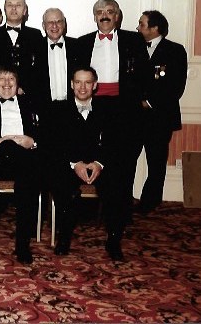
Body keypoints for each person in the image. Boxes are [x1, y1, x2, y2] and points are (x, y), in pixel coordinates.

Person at [76, 0, 148, 218]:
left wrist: (139, 101)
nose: (104, 16)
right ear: (95, 17)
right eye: (100, 12)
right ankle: (88, 208)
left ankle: (120, 210)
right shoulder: (83, 42)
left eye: (109, 11)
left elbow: (144, 74)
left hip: (123, 107)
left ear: (117, 16)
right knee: (91, 151)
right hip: (94, 105)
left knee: (123, 157)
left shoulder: (134, 40)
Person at [50, 66, 127, 261]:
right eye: (78, 82)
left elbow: (115, 143)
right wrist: (75, 164)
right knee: (61, 184)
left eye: (87, 82)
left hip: (99, 164)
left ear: (95, 85)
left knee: (117, 186)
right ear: (71, 84)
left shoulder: (109, 109)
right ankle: (64, 238)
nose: (82, 87)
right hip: (70, 164)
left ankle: (113, 241)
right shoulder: (58, 109)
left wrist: (99, 163)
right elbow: (55, 144)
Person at [0, 66, 41, 264]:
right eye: (2, 79)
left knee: (27, 181)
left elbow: (46, 132)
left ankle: (22, 244)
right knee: (9, 147)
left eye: (11, 79)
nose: (7, 83)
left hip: (25, 159)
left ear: (18, 85)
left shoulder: (30, 103)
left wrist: (32, 141)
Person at [136, 10, 188, 214]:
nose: (138, 27)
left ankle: (150, 201)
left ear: (154, 28)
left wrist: (149, 102)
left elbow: (176, 85)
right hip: (133, 116)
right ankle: (123, 200)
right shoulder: (133, 46)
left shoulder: (175, 50)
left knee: (156, 162)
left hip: (160, 117)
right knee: (126, 160)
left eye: (141, 24)